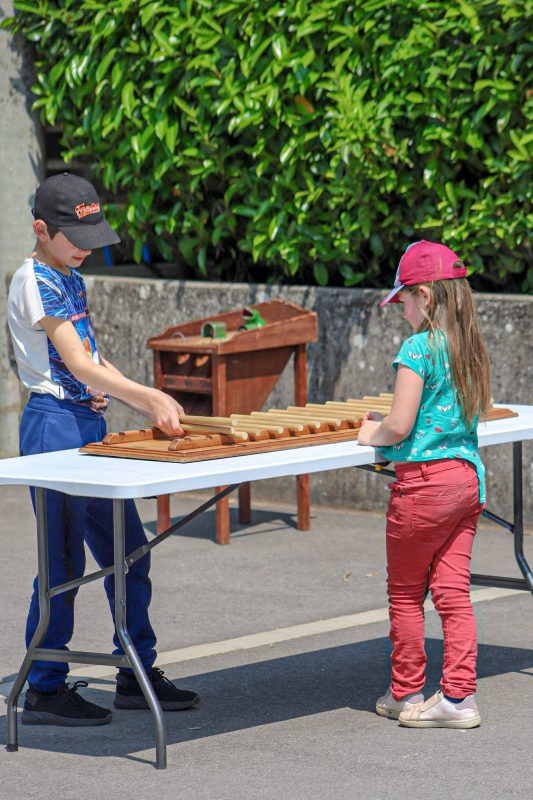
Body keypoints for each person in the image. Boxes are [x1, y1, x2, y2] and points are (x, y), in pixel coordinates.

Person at [8, 172, 199, 726]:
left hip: (88, 425)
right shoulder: (33, 279)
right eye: (78, 238)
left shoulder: (68, 272)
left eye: (94, 237)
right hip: (52, 428)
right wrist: (148, 398)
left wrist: (149, 402)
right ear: (42, 230)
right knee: (62, 562)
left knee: (128, 551)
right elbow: (79, 363)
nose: (88, 249)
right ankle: (43, 686)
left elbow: (95, 360)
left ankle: (134, 670)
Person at [358, 241, 491, 729]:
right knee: (454, 593)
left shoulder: (417, 348)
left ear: (428, 296)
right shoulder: (469, 345)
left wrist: (372, 431)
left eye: (406, 301)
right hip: (466, 481)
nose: (403, 311)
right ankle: (459, 699)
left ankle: (405, 691)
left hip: (424, 488)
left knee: (407, 594)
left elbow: (398, 424)